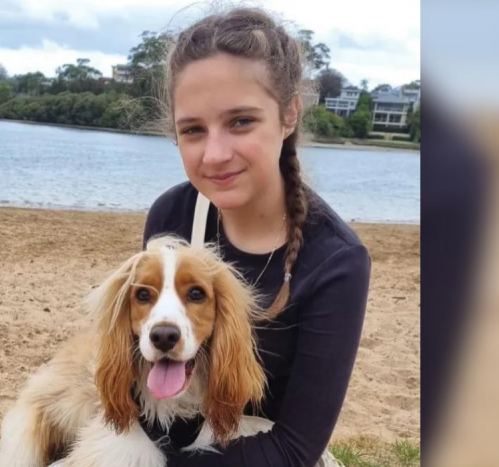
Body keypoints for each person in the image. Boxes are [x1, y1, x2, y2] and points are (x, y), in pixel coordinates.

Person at [141, 7, 372, 467]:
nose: (215, 154)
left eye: (241, 121)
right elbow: (149, 399)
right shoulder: (172, 215)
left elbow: (295, 448)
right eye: (193, 130)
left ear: (288, 115)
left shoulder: (337, 261)